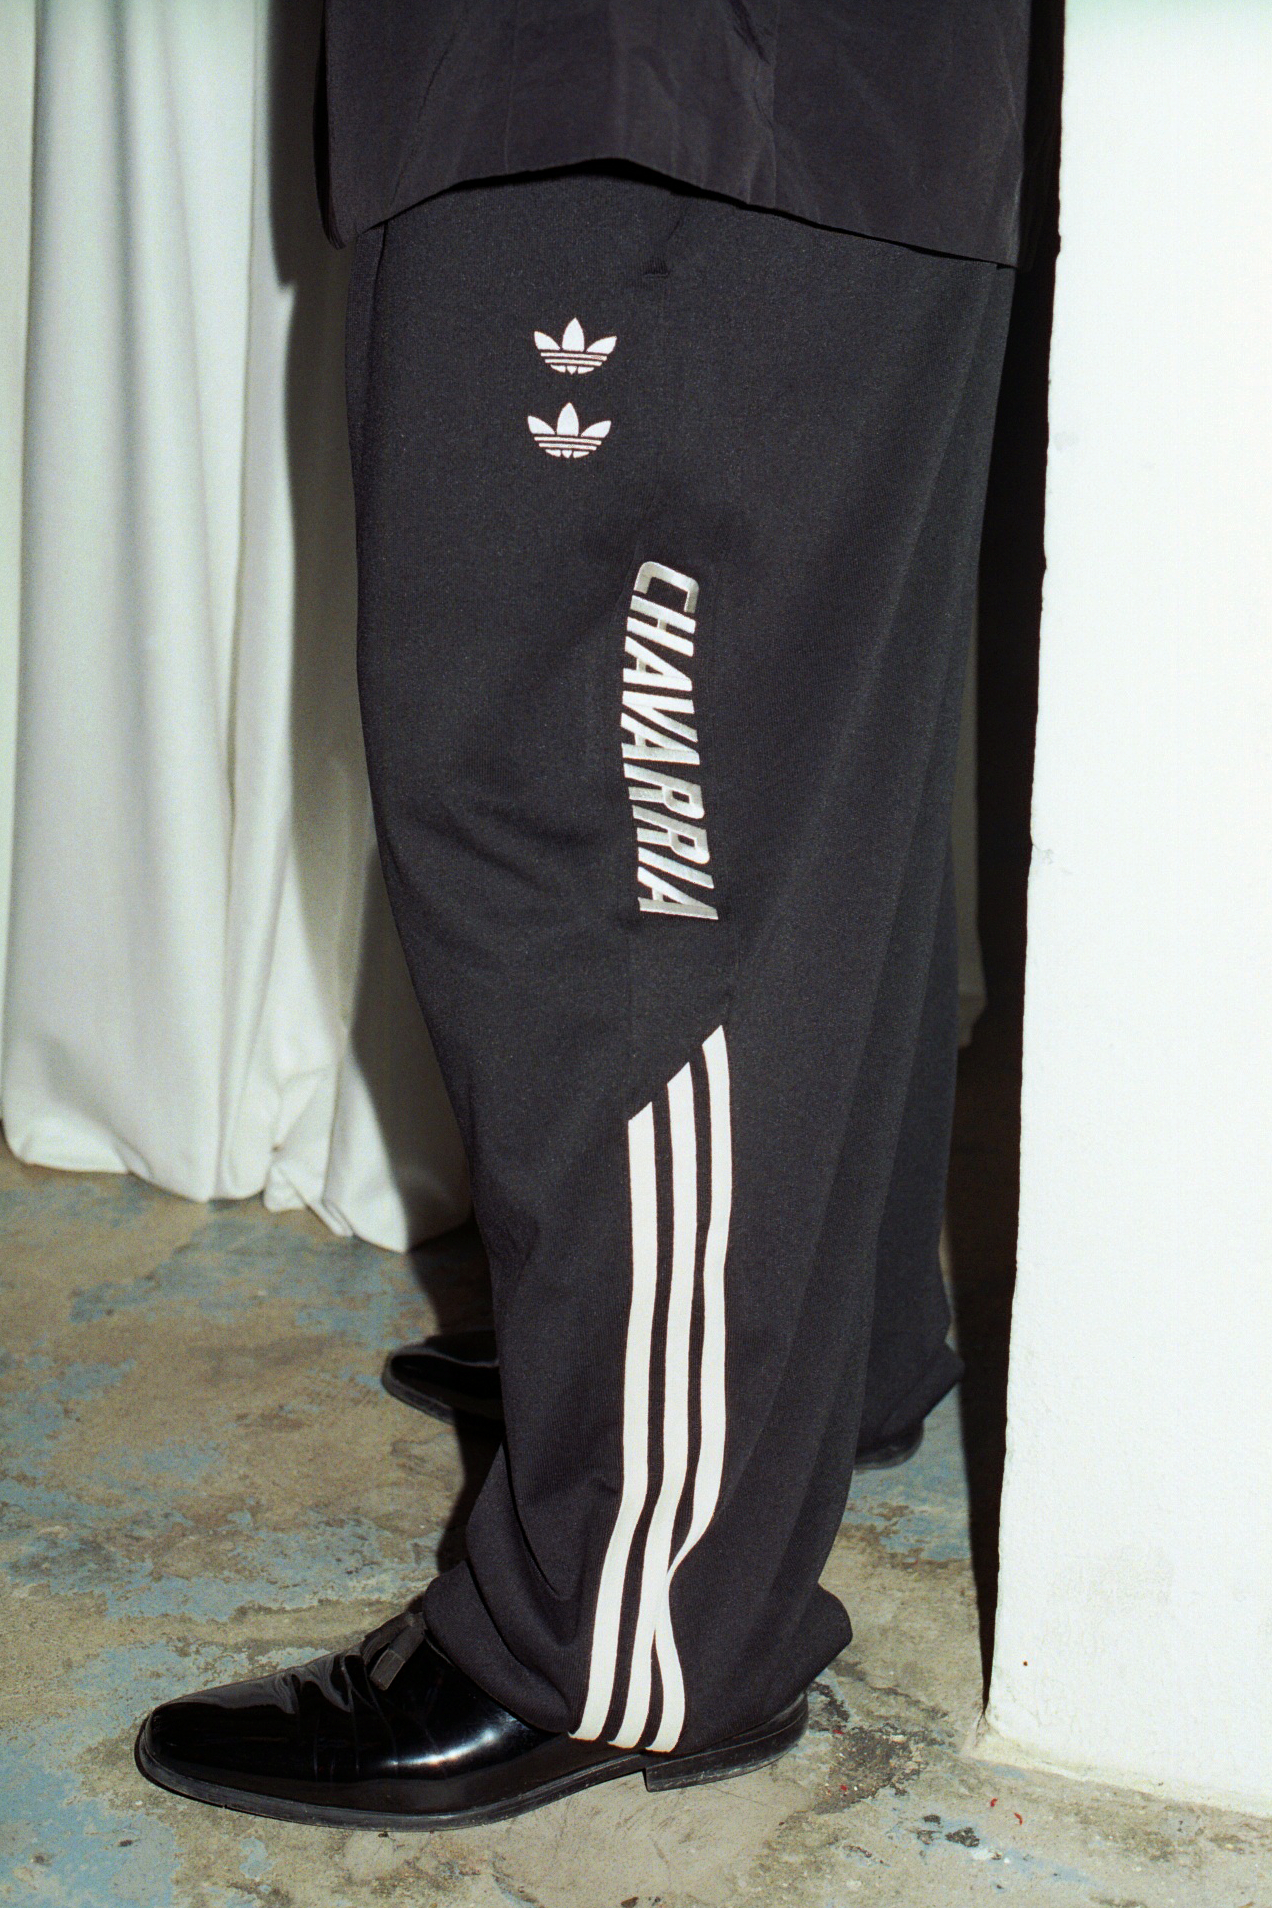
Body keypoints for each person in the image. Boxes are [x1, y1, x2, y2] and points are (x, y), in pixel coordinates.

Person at [136, 0, 1057, 1832]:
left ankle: (631, 1620)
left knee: (590, 826)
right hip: (813, 104)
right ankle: (791, 1363)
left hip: (648, 86)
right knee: (805, 768)